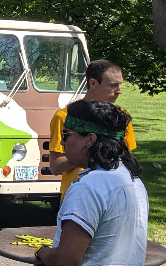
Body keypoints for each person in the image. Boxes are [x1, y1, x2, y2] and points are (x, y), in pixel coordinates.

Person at [33, 100, 147, 266]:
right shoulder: (130, 178)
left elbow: (65, 261)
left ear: (90, 139)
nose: (61, 145)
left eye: (67, 136)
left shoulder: (89, 186)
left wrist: (42, 253)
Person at [49, 59, 136, 199]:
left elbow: (127, 159)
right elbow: (55, 166)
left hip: (112, 194)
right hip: (76, 196)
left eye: (120, 85)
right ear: (93, 83)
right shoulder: (65, 116)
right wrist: (90, 154)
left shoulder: (120, 117)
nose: (119, 91)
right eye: (113, 85)